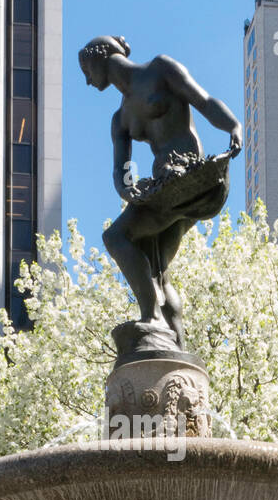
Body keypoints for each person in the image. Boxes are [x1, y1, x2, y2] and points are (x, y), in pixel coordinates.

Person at [79, 35, 242, 351]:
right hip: (162, 190)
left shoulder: (159, 69)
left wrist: (233, 126)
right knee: (157, 270)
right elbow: (120, 171)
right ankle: (176, 346)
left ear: (100, 57)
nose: (87, 81)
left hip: (188, 176)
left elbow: (203, 101)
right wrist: (129, 191)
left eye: (86, 70)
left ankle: (151, 316)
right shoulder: (120, 119)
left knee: (116, 237)